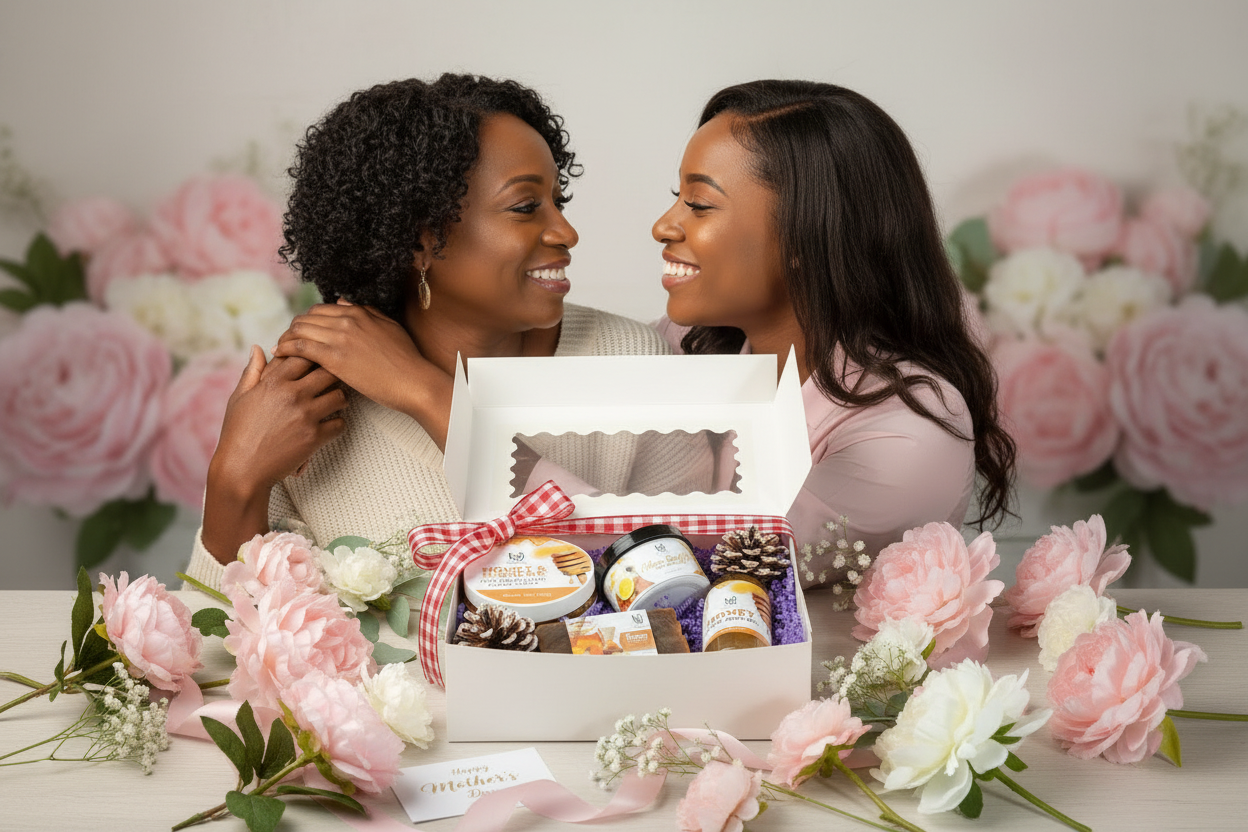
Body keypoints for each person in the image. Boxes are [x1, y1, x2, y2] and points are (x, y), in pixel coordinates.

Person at [184, 74, 710, 591]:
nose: (566, 232)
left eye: (558, 201)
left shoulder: (631, 363)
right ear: (420, 241)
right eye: (526, 207)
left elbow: (687, 594)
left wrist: (427, 394)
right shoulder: (306, 406)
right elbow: (222, 639)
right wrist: (233, 481)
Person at [652, 79, 1016, 591]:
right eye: (678, 197)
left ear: (808, 233)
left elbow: (712, 567)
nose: (663, 226)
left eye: (699, 203)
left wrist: (538, 477)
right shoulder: (692, 340)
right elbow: (575, 361)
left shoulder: (912, 432)